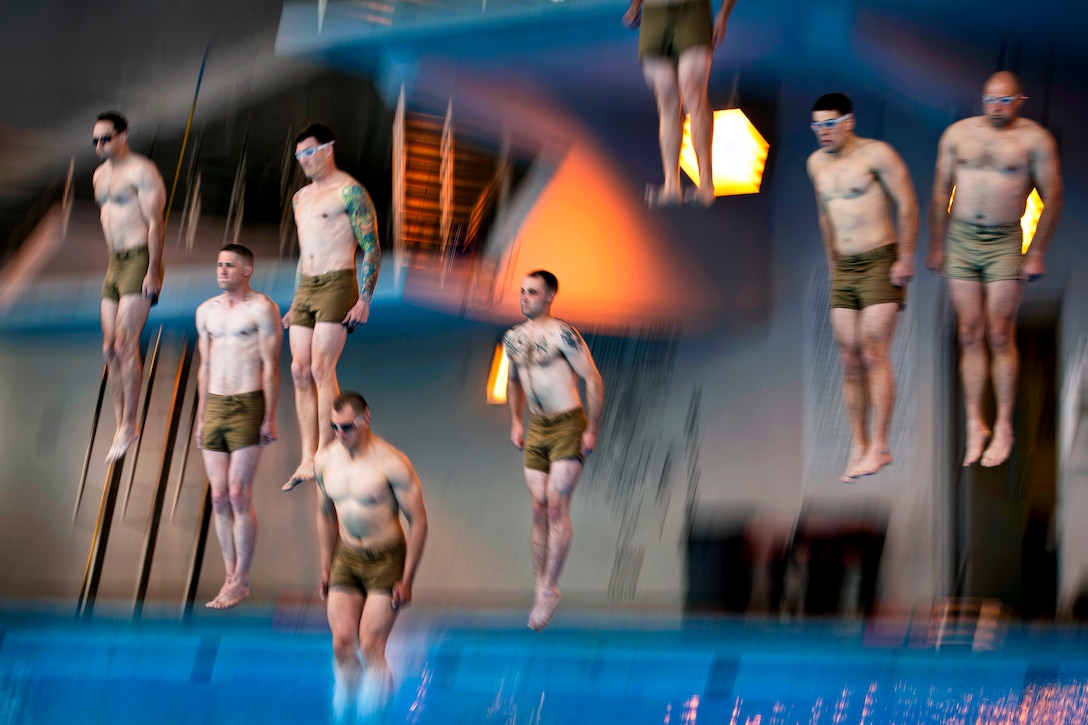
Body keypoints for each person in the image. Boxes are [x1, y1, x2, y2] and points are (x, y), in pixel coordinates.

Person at [927, 71, 1063, 468]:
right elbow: (940, 190)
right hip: (961, 237)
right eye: (990, 101)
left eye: (1004, 102)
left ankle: (1004, 424)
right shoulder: (957, 135)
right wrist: (936, 244)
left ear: (1019, 100)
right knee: (969, 332)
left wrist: (1036, 251)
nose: (996, 109)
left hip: (1004, 239)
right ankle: (975, 423)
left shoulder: (1035, 139)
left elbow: (1052, 197)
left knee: (999, 332)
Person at [806, 93, 918, 482]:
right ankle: (858, 443)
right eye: (817, 126)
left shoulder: (877, 155)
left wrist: (905, 256)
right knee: (848, 359)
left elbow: (906, 204)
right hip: (845, 267)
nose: (823, 132)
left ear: (849, 122)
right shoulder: (816, 164)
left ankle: (880, 445)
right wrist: (833, 264)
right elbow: (824, 217)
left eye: (830, 124)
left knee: (873, 351)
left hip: (880, 259)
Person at [281, 122, 381, 492]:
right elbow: (304, 252)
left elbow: (371, 246)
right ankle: (308, 455)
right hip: (306, 286)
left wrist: (365, 299)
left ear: (328, 149)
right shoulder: (300, 198)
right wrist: (295, 300)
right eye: (298, 156)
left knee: (322, 367)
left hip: (338, 283)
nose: (303, 161)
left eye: (309, 152)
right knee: (298, 369)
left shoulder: (350, 192)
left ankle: (325, 450)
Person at [504, 271, 605, 630]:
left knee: (556, 504)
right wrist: (516, 422)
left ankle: (550, 587)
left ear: (549, 297)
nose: (525, 297)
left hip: (567, 423)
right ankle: (540, 587)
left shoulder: (564, 334)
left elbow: (593, 378)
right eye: (522, 292)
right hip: (537, 427)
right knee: (538, 507)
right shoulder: (512, 338)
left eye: (532, 292)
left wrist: (591, 428)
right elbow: (513, 382)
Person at [316, 392, 427, 717]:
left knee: (371, 645)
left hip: (386, 558)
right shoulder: (325, 460)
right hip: (347, 557)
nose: (341, 434)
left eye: (347, 426)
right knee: (341, 643)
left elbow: (418, 522)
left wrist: (407, 579)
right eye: (335, 427)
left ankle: (374, 715)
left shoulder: (392, 463)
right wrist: (326, 565)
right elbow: (325, 513)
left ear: (366, 419)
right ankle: (346, 707)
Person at [195, 244, 282, 609]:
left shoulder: (262, 308)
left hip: (248, 403)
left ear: (247, 269)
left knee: (237, 494)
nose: (222, 270)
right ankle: (231, 578)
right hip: (215, 403)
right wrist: (201, 413)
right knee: (217, 497)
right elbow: (205, 366)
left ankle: (242, 577)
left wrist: (269, 414)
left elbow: (271, 365)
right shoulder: (206, 312)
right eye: (219, 265)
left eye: (230, 265)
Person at [92, 111, 166, 463]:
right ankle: (122, 424)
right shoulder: (98, 176)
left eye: (105, 138)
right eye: (95, 140)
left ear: (124, 135)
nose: (99, 145)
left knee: (125, 342)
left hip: (139, 260)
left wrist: (154, 269)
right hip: (115, 264)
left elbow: (155, 223)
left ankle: (131, 423)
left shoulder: (142, 171)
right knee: (109, 348)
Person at [622, 0, 738, 208]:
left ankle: (706, 182)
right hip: (654, 14)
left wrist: (723, 15)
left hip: (693, 10)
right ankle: (671, 186)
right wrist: (635, 6)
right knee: (666, 97)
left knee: (692, 91)